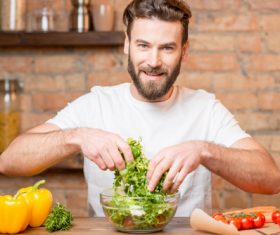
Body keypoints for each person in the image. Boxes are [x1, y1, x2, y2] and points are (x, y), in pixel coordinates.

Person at [0, 0, 280, 217]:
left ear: (184, 50)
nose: (154, 61)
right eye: (143, 45)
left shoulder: (205, 109)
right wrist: (76, 136)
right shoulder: (97, 104)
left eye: (167, 48)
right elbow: (9, 161)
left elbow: (271, 180)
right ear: (127, 44)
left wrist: (205, 150)